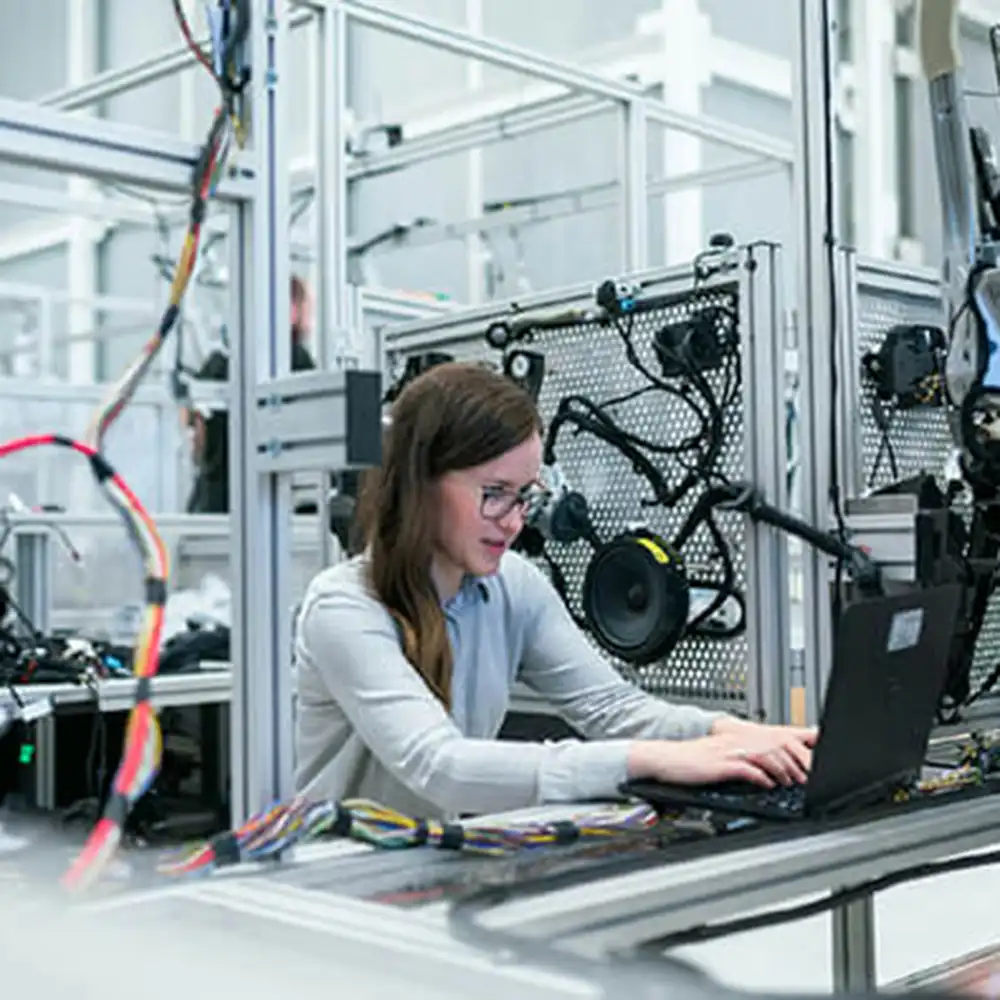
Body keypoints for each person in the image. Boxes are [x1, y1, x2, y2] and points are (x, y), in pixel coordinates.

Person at [293, 362, 816, 819]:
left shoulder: (512, 585)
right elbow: (440, 766)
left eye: (524, 495)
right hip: (338, 876)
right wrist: (652, 760)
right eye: (494, 493)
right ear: (420, 485)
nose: (514, 521)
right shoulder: (345, 607)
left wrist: (733, 734)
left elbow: (612, 708)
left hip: (429, 864)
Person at [185, 275, 317, 514]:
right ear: (289, 307)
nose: (310, 318)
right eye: (306, 306)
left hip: (210, 506)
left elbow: (195, 437)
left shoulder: (218, 361)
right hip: (266, 507)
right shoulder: (295, 359)